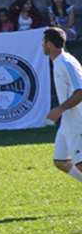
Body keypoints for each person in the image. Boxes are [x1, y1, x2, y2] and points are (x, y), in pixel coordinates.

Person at [43, 27, 82, 188]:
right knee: (60, 161)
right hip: (67, 124)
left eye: (43, 43)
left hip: (77, 122)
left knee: (80, 164)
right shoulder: (58, 63)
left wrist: (60, 109)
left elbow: (80, 91)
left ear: (50, 44)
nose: (42, 46)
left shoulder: (66, 62)